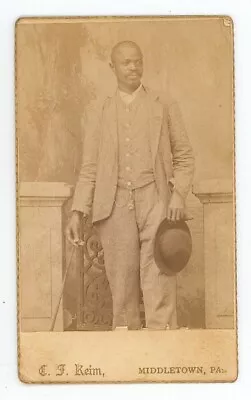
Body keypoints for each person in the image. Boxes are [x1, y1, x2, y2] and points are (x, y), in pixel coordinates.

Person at [65, 40, 195, 330]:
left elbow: (185, 157)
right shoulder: (99, 110)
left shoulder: (164, 105)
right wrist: (78, 211)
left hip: (156, 200)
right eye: (126, 62)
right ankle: (129, 362)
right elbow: (89, 168)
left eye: (138, 61)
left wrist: (178, 195)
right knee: (122, 293)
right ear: (113, 67)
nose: (134, 67)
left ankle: (162, 359)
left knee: (159, 285)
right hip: (113, 205)